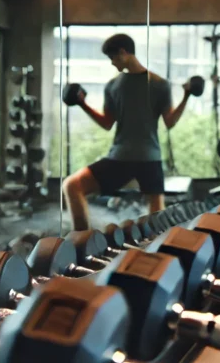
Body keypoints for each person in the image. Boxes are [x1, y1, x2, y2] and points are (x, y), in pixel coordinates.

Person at [61, 33, 192, 231]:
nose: (112, 63)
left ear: (123, 52)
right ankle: (160, 255)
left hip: (121, 157)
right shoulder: (160, 83)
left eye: (113, 58)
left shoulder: (113, 86)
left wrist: (82, 104)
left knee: (71, 186)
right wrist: (186, 96)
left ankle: (82, 242)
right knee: (157, 214)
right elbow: (170, 122)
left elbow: (106, 123)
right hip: (150, 158)